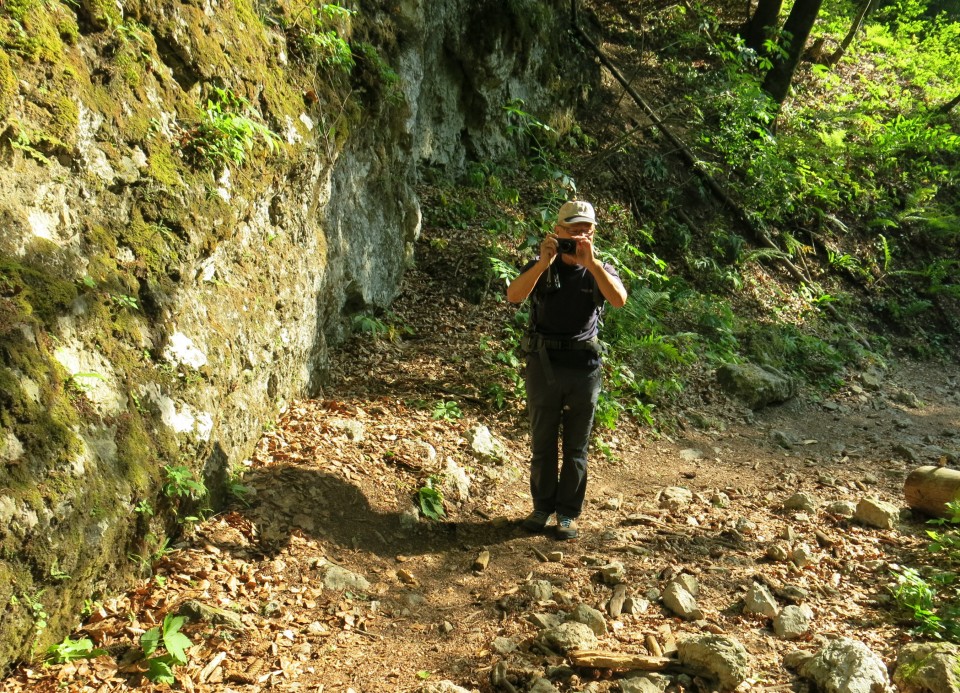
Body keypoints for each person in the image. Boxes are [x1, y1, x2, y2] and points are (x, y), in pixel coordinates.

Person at [506, 200, 628, 539]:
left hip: (584, 368)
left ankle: (568, 514)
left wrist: (591, 264)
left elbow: (618, 299)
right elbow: (514, 296)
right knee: (542, 442)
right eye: (573, 231)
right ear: (557, 232)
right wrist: (544, 261)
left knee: (576, 446)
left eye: (586, 231)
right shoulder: (542, 266)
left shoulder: (600, 268)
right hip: (544, 366)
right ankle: (542, 507)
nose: (579, 237)